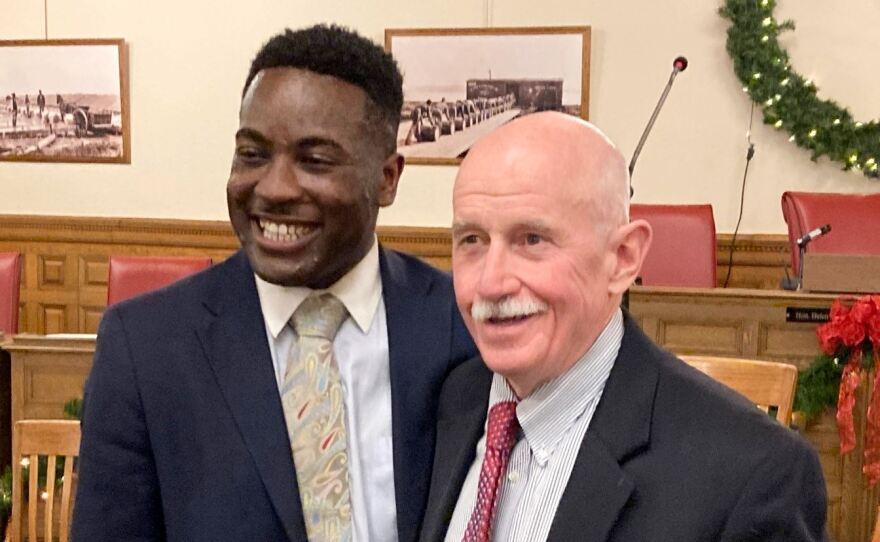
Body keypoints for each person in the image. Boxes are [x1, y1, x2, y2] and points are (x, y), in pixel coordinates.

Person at [72, 24, 476, 542]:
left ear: (387, 178)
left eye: (315, 160)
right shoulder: (146, 347)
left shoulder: (459, 323)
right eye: (253, 154)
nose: (274, 187)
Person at [419, 112, 828, 542]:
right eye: (471, 241)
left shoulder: (753, 473)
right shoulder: (447, 402)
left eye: (532, 240)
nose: (490, 282)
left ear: (623, 258)